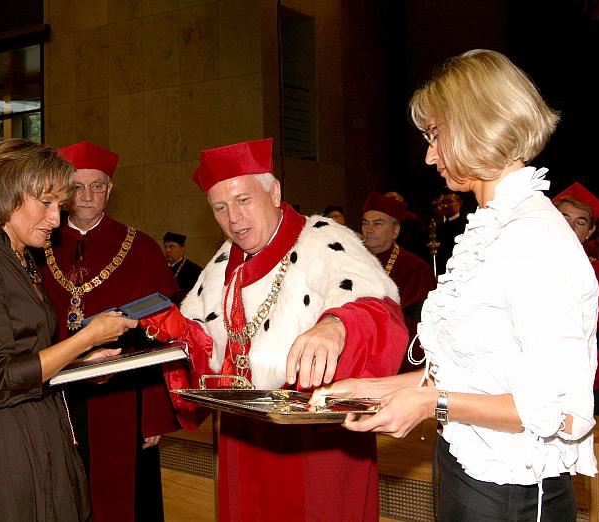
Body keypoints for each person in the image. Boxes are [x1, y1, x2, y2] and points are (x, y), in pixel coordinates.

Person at [311, 49, 598, 521]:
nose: (428, 155)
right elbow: (471, 379)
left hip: (514, 491)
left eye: (436, 135)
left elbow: (556, 408)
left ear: (478, 126)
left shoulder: (534, 236)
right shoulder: (491, 226)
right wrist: (370, 387)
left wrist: (429, 403)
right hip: (468, 470)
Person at [139, 138, 409, 522]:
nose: (233, 218)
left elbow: (381, 311)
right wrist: (172, 328)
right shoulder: (219, 266)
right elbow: (204, 349)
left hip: (316, 438)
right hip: (242, 434)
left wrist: (336, 325)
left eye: (243, 200)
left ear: (275, 191)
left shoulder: (324, 240)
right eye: (220, 207)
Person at [0, 138, 137, 521]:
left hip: (39, 422)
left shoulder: (19, 259)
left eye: (59, 206)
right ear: (8, 196)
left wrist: (82, 361)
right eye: (45, 203)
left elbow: (26, 356)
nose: (56, 219)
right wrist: (86, 337)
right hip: (5, 440)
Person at [37, 140, 179, 522]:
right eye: (77, 187)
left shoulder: (142, 248)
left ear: (110, 190)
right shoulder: (37, 244)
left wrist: (154, 415)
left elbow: (160, 337)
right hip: (54, 393)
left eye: (97, 186)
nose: (87, 195)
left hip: (123, 396)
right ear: (63, 191)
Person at [552, 182, 599, 416]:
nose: (570, 228)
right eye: (563, 218)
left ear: (590, 231)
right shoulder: (524, 268)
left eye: (580, 222)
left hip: (590, 385)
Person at [361, 191, 435, 371]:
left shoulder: (415, 268)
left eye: (378, 224)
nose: (369, 230)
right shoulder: (349, 259)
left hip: (397, 358)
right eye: (365, 223)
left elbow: (417, 323)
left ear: (395, 231)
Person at [163, 231, 202, 304]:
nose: (167, 250)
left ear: (182, 249)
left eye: (171, 247)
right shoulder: (161, 267)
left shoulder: (194, 270)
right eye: (166, 247)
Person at [434, 193, 465, 275]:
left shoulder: (466, 225)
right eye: (442, 203)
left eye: (449, 202)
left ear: (460, 203)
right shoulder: (437, 226)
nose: (445, 206)